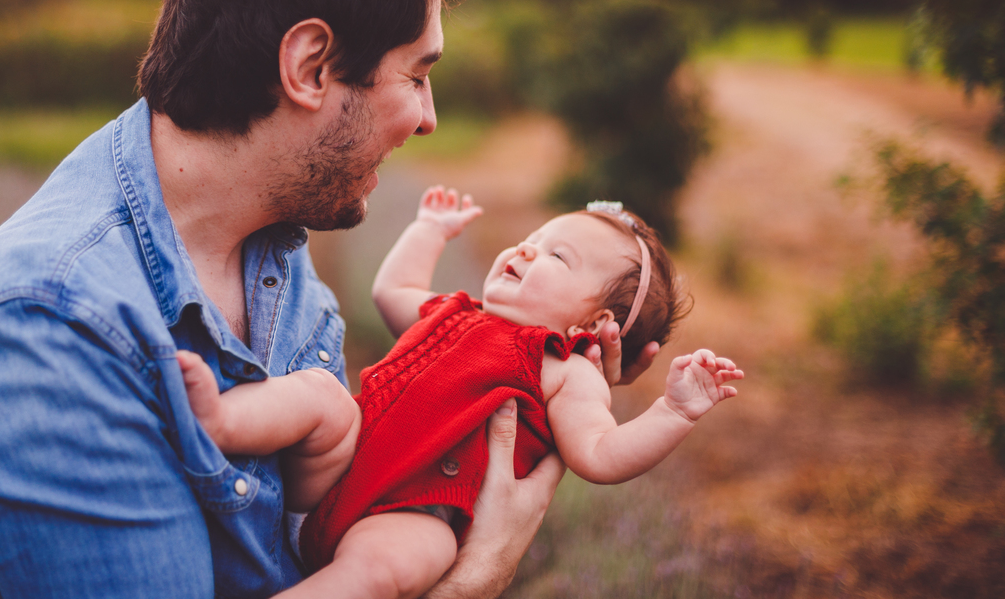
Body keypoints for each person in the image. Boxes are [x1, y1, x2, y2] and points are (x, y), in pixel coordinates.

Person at [0, 0, 657, 599]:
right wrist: (475, 578)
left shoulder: (272, 245)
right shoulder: (55, 329)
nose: (428, 118)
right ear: (310, 67)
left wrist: (547, 379)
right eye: (418, 75)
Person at [177, 186, 742, 599]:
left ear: (592, 325)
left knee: (382, 571)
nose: (523, 251)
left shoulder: (563, 370)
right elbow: (393, 289)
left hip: (412, 513)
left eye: (556, 256)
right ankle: (220, 421)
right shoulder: (456, 311)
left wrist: (674, 410)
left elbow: (599, 454)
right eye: (531, 240)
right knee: (322, 396)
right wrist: (429, 231)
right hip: (335, 470)